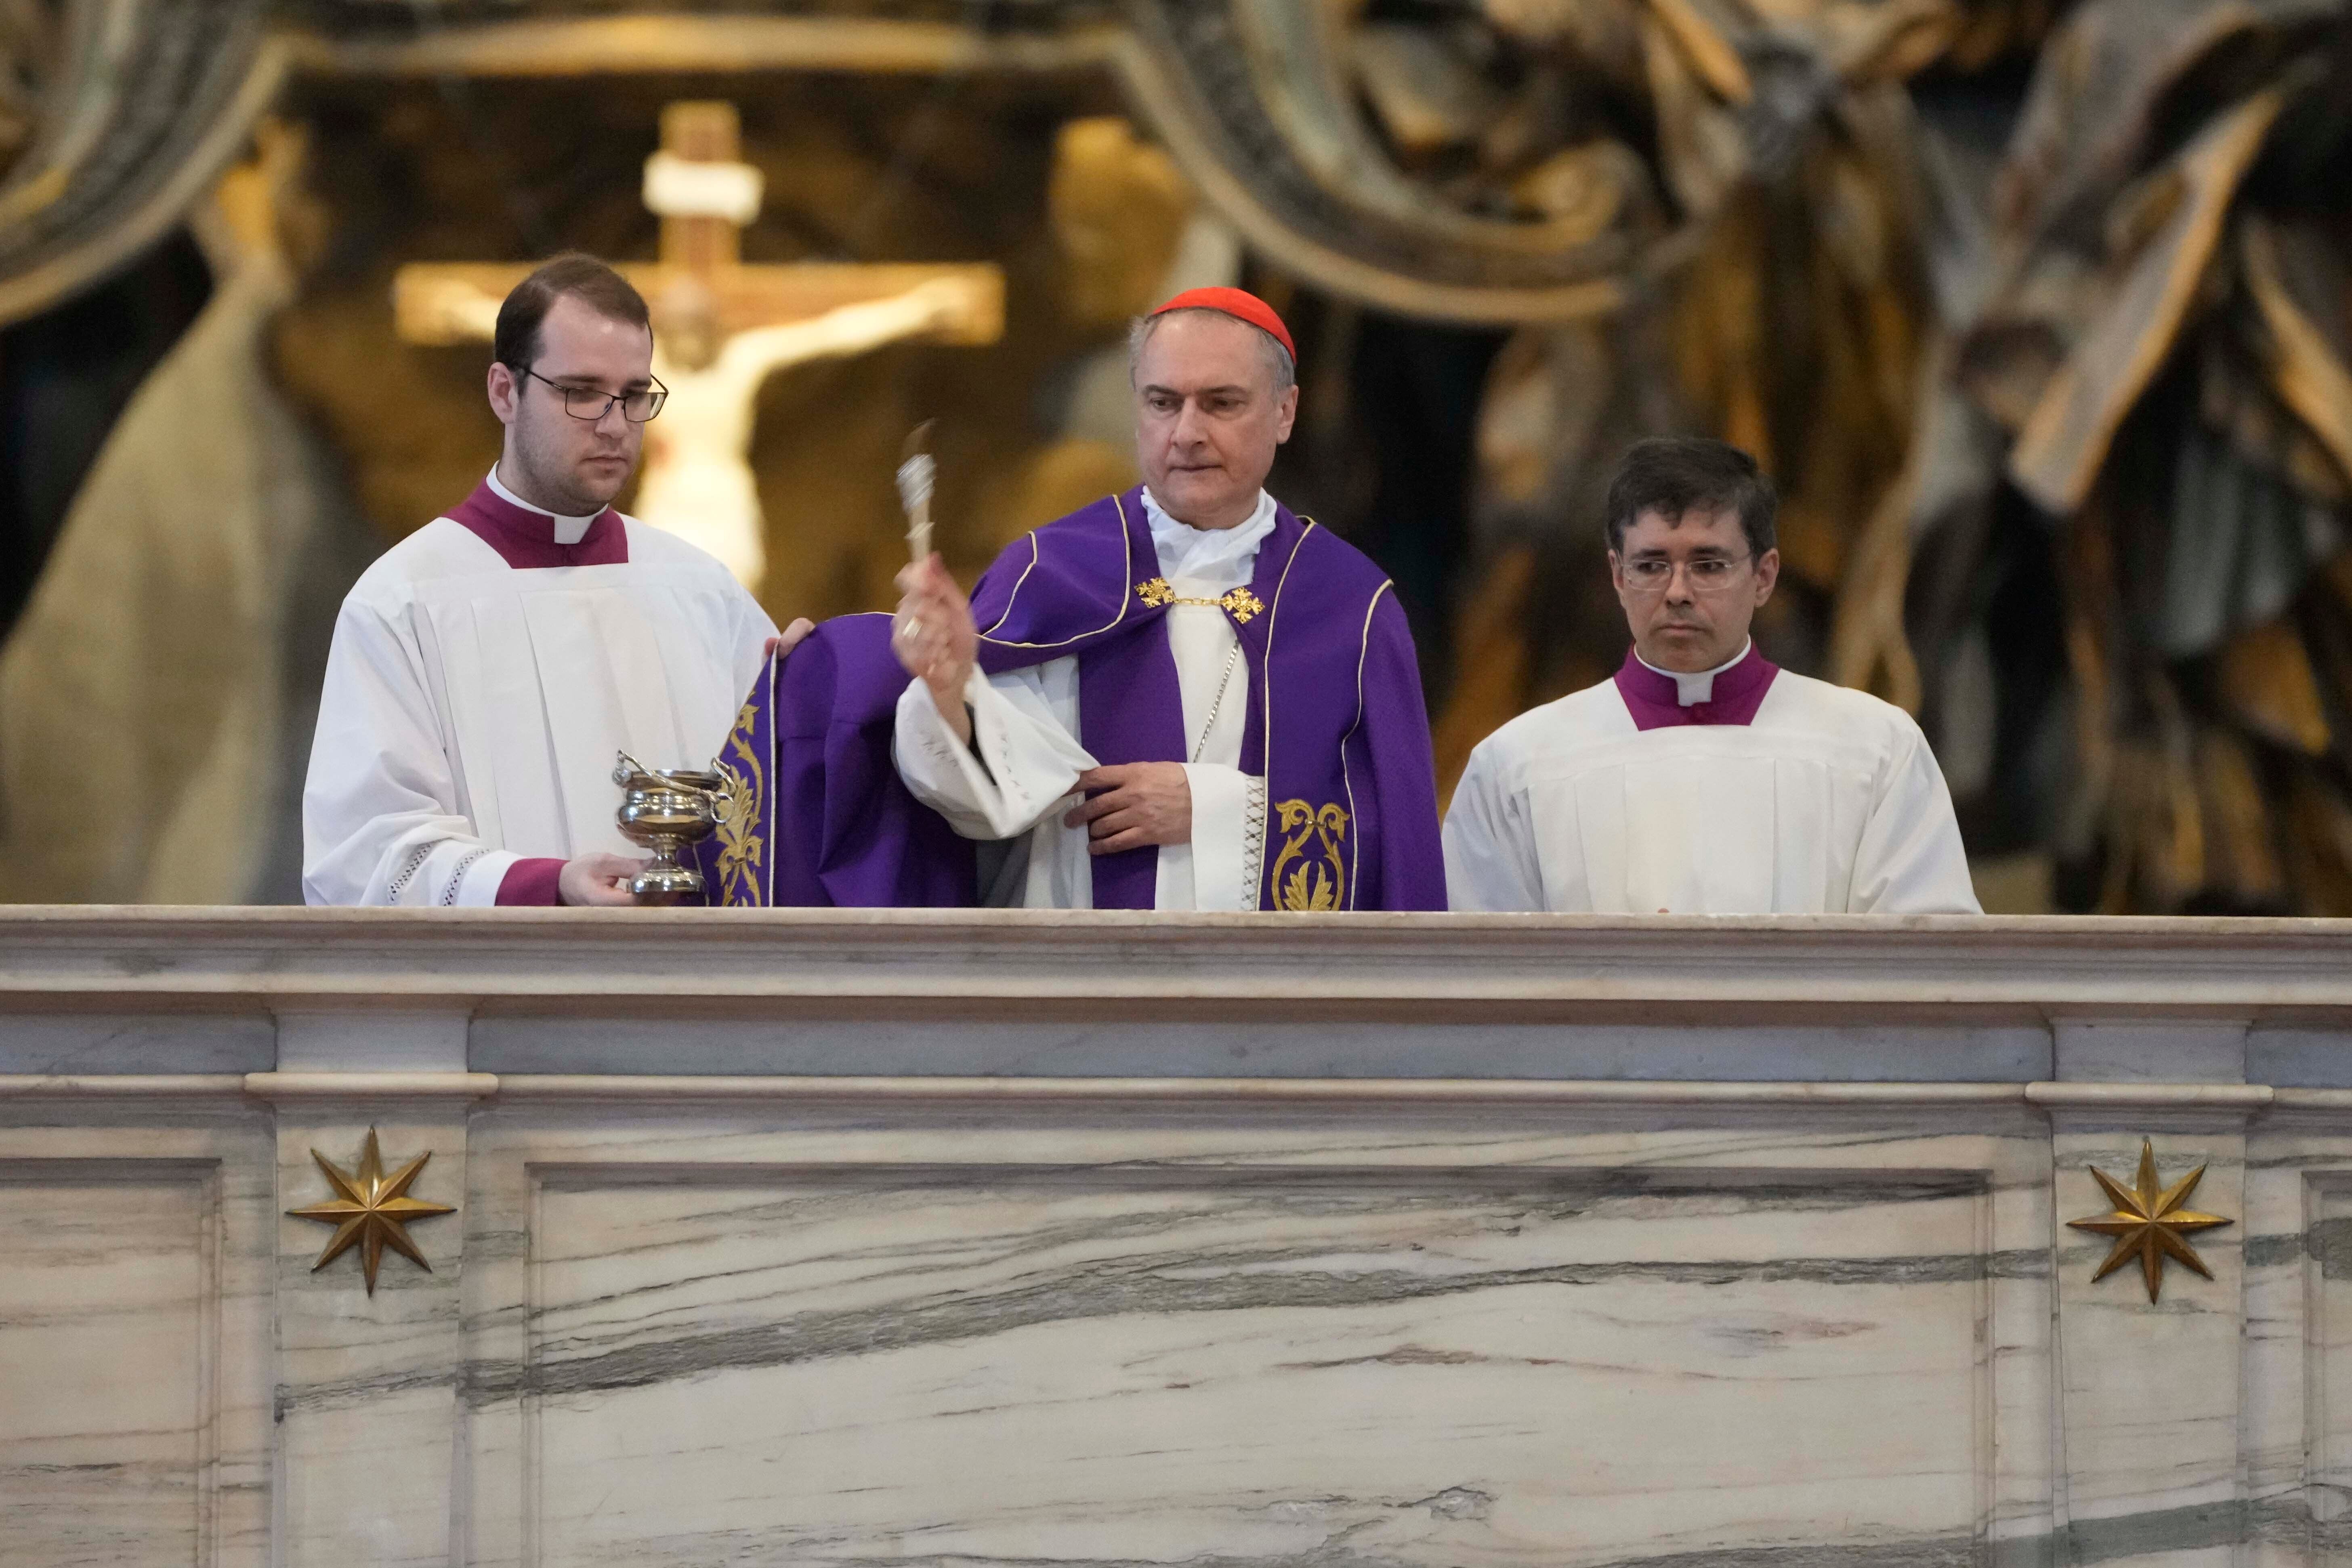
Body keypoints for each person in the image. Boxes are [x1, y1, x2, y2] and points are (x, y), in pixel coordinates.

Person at [887, 287, 1445, 911]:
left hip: (1269, 993)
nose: (1186, 433)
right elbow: (980, 802)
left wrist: (1211, 812)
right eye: (1163, 402)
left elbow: (1397, 845)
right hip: (1073, 982)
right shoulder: (1049, 572)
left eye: (1221, 404)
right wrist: (948, 690)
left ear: (1285, 412)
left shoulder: (1350, 606)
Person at [302, 253, 811, 907]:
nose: (615, 425)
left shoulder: (700, 589)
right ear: (503, 392)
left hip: (688, 989)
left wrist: (804, 692)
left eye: (633, 396)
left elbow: (773, 810)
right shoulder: (404, 601)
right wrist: (548, 887)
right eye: (581, 392)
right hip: (512, 997)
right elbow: (364, 856)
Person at [1444, 437, 1980, 914]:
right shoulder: (1516, 768)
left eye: (1708, 565)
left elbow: (1931, 973)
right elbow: (1479, 988)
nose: (1678, 592)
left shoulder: (1875, 751)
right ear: (1618, 576)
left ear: (1764, 576)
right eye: (1652, 565)